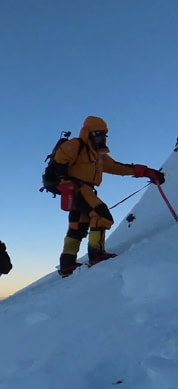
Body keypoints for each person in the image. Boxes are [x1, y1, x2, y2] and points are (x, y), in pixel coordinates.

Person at [54, 115, 166, 277]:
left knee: (77, 226)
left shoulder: (98, 156)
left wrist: (146, 171)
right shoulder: (75, 146)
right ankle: (96, 254)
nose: (101, 137)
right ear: (88, 133)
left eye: (103, 134)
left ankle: (67, 264)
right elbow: (59, 162)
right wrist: (65, 183)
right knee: (101, 214)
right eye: (97, 133)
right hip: (76, 188)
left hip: (82, 190)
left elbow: (118, 167)